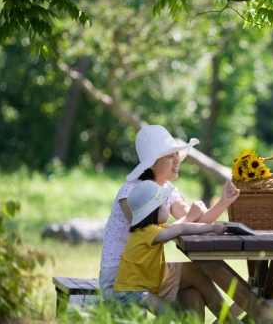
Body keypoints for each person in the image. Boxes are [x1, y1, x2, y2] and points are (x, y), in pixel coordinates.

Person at [100, 125, 240, 320]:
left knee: (193, 294)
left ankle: (231, 321)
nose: (177, 160)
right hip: (121, 276)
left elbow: (194, 225)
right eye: (169, 156)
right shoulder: (133, 193)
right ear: (151, 163)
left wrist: (223, 202)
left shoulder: (167, 189)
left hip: (147, 269)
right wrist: (189, 218)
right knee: (196, 275)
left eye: (177, 154)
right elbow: (149, 233)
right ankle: (232, 321)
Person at [113, 180, 237, 321]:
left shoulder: (149, 230)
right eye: (165, 204)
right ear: (155, 211)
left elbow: (183, 226)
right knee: (170, 314)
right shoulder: (149, 232)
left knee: (171, 313)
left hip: (136, 289)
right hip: (132, 292)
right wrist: (212, 227)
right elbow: (182, 228)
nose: (168, 207)